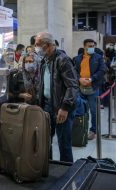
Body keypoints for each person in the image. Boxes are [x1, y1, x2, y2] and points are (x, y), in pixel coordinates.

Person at [35, 32, 78, 162]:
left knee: (64, 143)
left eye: (37, 45)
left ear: (47, 45)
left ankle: (67, 174)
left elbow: (72, 86)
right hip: (47, 106)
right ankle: (48, 168)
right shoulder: (44, 60)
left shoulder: (63, 59)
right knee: (45, 142)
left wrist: (65, 108)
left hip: (61, 107)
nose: (36, 48)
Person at [73, 39, 105, 140]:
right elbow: (74, 71)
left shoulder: (98, 58)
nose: (91, 47)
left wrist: (91, 78)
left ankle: (93, 130)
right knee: (80, 110)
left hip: (93, 87)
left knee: (93, 110)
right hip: (80, 87)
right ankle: (81, 128)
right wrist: (79, 79)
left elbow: (102, 70)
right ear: (84, 46)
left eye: (93, 46)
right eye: (89, 46)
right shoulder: (77, 58)